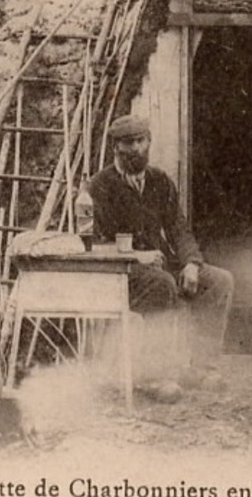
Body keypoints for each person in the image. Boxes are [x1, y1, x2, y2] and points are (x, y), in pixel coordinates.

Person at [86, 114, 234, 365]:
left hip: (160, 264)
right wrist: (136, 256)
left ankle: (203, 366)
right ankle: (157, 374)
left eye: (140, 141)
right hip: (123, 272)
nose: (135, 149)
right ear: (115, 147)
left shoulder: (160, 181)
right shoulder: (99, 186)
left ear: (149, 142)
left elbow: (178, 229)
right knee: (162, 284)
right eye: (128, 142)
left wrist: (191, 264)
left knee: (220, 281)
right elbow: (94, 244)